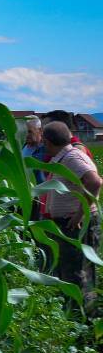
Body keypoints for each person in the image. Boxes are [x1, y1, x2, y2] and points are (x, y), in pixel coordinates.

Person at [43, 120, 101, 314]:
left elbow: (94, 182)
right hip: (68, 222)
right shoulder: (63, 157)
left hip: (76, 224)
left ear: (47, 141)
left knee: (79, 273)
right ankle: (75, 314)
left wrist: (78, 216)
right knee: (70, 270)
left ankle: (83, 319)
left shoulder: (72, 157)